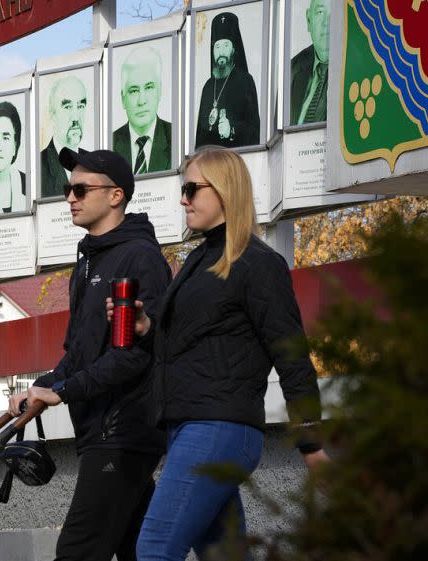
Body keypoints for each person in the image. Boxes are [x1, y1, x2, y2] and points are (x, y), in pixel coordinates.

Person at [121, 147, 328, 561]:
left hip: (218, 428)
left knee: (155, 548)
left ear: (225, 190)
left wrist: (310, 442)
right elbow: (188, 343)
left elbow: (291, 355)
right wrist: (145, 327)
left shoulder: (257, 264)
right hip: (190, 427)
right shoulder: (200, 260)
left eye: (191, 188)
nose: (183, 199)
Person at [9, 148, 172, 561]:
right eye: (68, 188)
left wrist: (62, 391)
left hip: (122, 432)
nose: (70, 198)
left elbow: (136, 354)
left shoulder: (141, 258)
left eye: (81, 188)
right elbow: (79, 352)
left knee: (77, 552)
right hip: (99, 431)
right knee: (140, 551)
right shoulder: (86, 264)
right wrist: (42, 388)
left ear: (115, 195)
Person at [194, 12, 260, 149]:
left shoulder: (245, 81)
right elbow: (200, 135)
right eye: (217, 47)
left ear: (233, 49)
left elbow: (254, 130)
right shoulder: (208, 86)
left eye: (226, 45)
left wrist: (232, 130)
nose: (221, 52)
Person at [113, 45, 172, 175]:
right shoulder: (109, 145)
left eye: (149, 87)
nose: (141, 101)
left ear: (160, 91)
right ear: (123, 99)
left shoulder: (176, 138)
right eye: (134, 91)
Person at [41, 75, 87, 198]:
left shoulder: (94, 164)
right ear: (52, 114)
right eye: (68, 107)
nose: (76, 117)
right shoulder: (39, 167)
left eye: (80, 106)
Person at [290, 0, 330, 124]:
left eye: (336, 13)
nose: (326, 23)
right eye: (320, 12)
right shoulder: (292, 68)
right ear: (308, 20)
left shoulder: (357, 67)